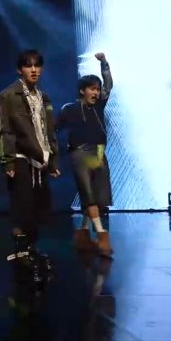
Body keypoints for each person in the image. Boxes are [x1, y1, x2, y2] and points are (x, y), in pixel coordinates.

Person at [0, 49, 60, 272]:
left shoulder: (43, 97)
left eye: (37, 65)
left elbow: (48, 131)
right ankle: (21, 251)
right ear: (19, 70)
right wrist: (7, 161)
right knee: (22, 206)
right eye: (28, 65)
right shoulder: (9, 95)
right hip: (20, 157)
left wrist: (53, 160)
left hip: (41, 158)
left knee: (38, 208)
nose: (34, 70)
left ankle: (30, 249)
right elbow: (4, 130)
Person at [56, 52, 114, 256]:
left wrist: (104, 63)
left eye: (97, 89)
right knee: (88, 194)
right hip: (80, 154)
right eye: (92, 89)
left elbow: (109, 86)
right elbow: (53, 129)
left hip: (98, 153)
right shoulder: (69, 109)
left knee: (99, 196)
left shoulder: (98, 105)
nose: (96, 93)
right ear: (82, 90)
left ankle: (82, 235)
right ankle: (102, 236)